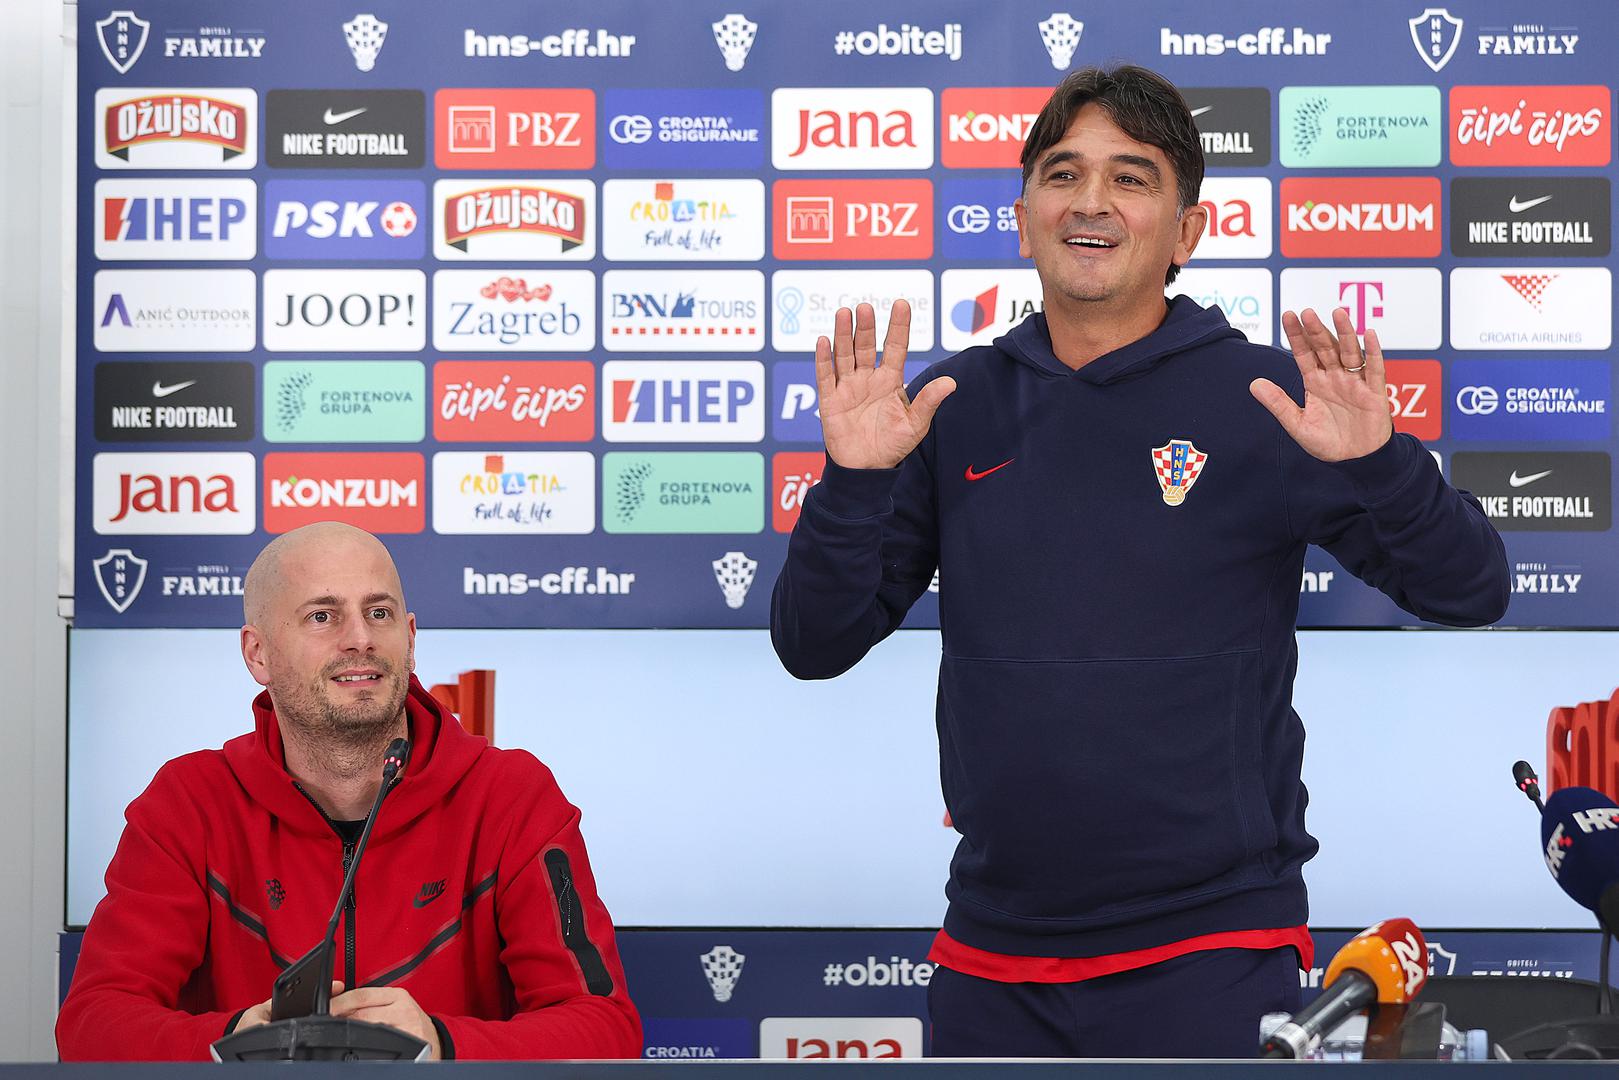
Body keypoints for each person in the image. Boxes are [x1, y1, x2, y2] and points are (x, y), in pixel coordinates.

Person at [771, 65, 1509, 1058]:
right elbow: (812, 644)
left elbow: (1471, 589)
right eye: (1062, 174)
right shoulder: (949, 405)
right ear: (1022, 217)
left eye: (1130, 178)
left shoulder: (1270, 400)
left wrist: (1381, 463)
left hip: (1209, 947)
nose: (1090, 201)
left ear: (1184, 231)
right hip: (992, 951)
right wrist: (854, 481)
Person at [57, 522, 641, 1061]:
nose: (360, 638)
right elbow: (92, 1022)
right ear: (258, 653)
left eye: (379, 613)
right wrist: (238, 1043)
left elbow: (605, 1026)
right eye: (322, 616)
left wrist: (442, 1045)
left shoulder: (513, 798)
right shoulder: (187, 804)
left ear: (410, 637)